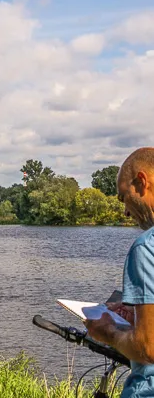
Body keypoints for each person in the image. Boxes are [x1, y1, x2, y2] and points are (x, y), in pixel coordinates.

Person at [86, 147, 154, 398]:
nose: (125, 211)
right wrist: (138, 316)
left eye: (123, 197)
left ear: (142, 181)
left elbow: (148, 348)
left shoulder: (147, 247)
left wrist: (109, 333)